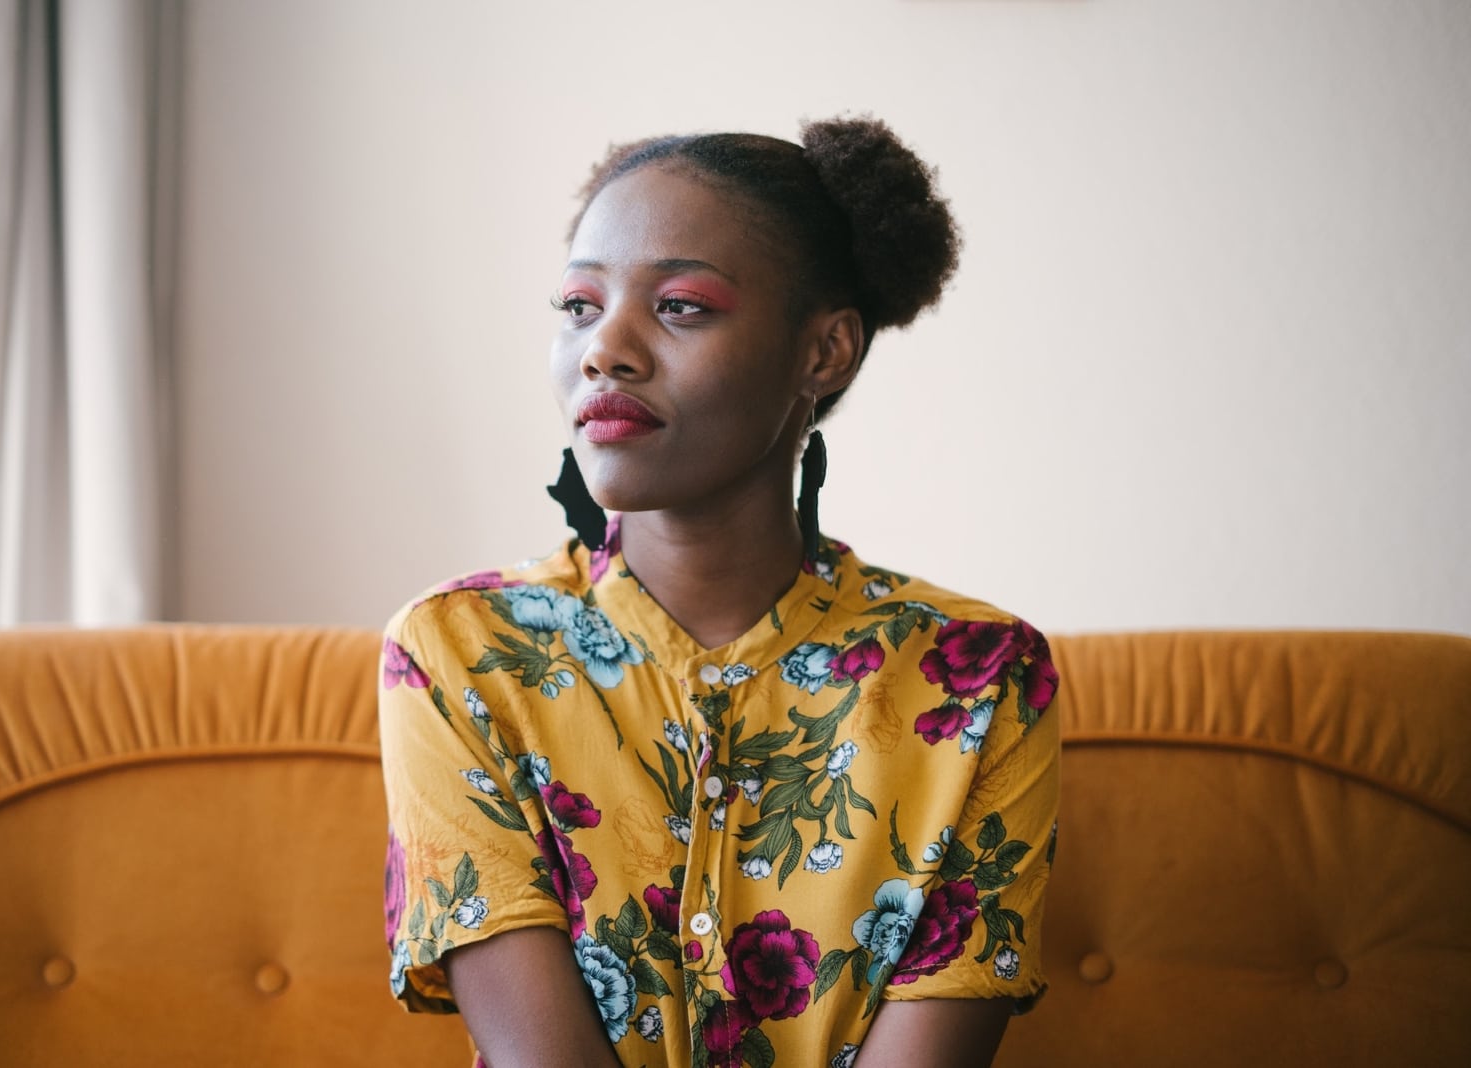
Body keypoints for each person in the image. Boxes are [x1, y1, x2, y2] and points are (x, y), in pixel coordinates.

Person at [378, 116, 1060, 1068]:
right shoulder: (460, 653)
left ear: (824, 352)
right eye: (579, 305)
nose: (603, 351)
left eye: (682, 307)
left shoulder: (980, 678)